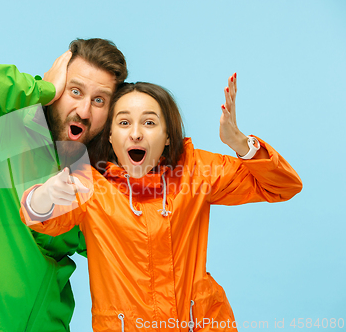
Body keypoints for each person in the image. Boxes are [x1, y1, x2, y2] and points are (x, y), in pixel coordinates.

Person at [21, 76, 303, 332]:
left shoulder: (196, 171)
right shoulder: (92, 185)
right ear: (110, 136)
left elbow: (282, 185)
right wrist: (43, 197)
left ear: (167, 137)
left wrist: (241, 143)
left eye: (149, 122)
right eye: (123, 122)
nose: (135, 133)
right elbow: (45, 220)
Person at [0, 38, 127, 332]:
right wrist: (41, 90)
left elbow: (119, 245)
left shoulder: (92, 175)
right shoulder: (1, 123)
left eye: (99, 100)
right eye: (75, 91)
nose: (84, 111)